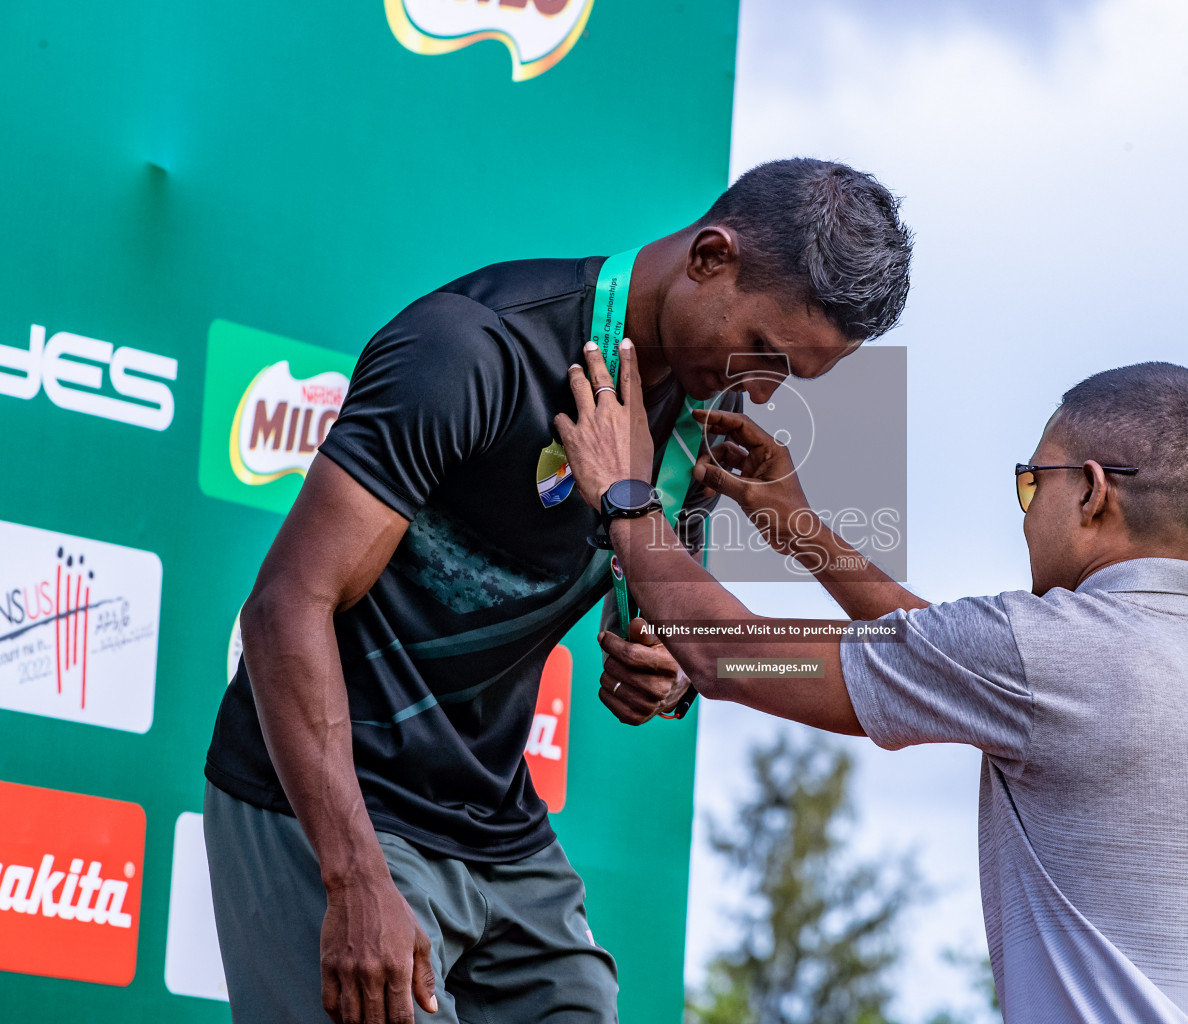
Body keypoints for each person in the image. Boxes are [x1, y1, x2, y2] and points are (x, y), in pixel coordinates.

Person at [201, 157, 914, 1024]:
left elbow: (699, 643)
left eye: (789, 377)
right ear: (709, 257)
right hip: (342, 802)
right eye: (763, 351)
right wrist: (351, 876)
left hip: (495, 826)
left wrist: (665, 672)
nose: (759, 389)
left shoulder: (692, 422)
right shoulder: (470, 347)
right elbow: (283, 607)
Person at [554, 356, 1188, 1022]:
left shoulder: (1044, 651)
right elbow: (943, 662)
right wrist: (806, 535)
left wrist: (627, 497)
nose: (1025, 511)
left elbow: (744, 659)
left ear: (1089, 493)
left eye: (1031, 482)